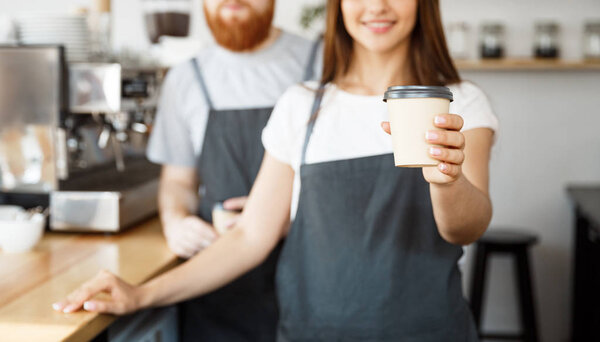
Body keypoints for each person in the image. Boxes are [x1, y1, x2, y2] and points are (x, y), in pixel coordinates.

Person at [54, 0, 498, 340]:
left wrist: (448, 179)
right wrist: (140, 294)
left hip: (428, 332)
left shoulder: (460, 100)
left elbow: (466, 227)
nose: (377, 6)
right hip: (311, 333)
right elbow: (251, 236)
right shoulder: (302, 104)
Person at [143, 0, 320, 340]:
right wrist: (176, 220)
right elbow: (178, 180)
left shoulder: (322, 61)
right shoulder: (186, 78)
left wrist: (282, 217)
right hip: (217, 293)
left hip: (310, 283)